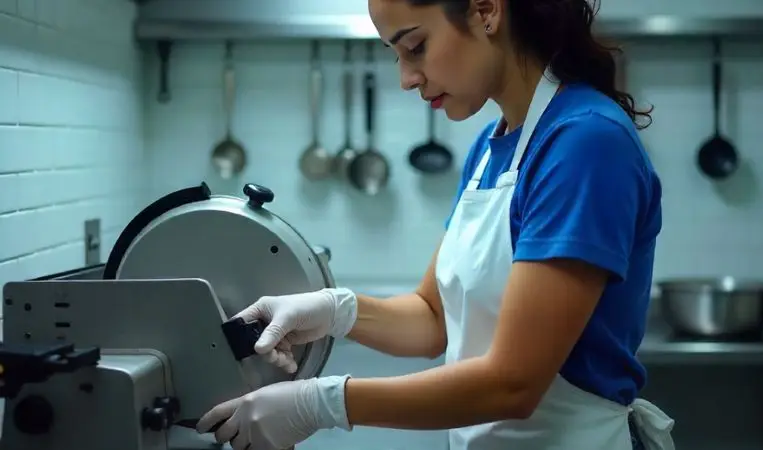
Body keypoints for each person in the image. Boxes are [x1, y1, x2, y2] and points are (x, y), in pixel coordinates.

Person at [197, 0, 676, 449]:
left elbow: (514, 384)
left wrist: (322, 403)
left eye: (415, 46)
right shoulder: (491, 147)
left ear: (486, 10)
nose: (406, 78)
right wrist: (332, 310)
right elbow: (432, 320)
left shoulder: (584, 143)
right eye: (397, 56)